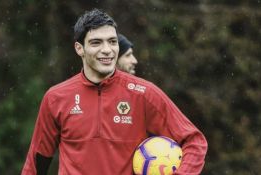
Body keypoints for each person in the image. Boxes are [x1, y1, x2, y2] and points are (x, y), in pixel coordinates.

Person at [21, 8, 208, 175]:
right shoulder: (56, 98)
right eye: (96, 43)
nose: (107, 50)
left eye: (112, 42)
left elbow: (194, 141)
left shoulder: (144, 93)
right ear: (80, 49)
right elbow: (37, 161)